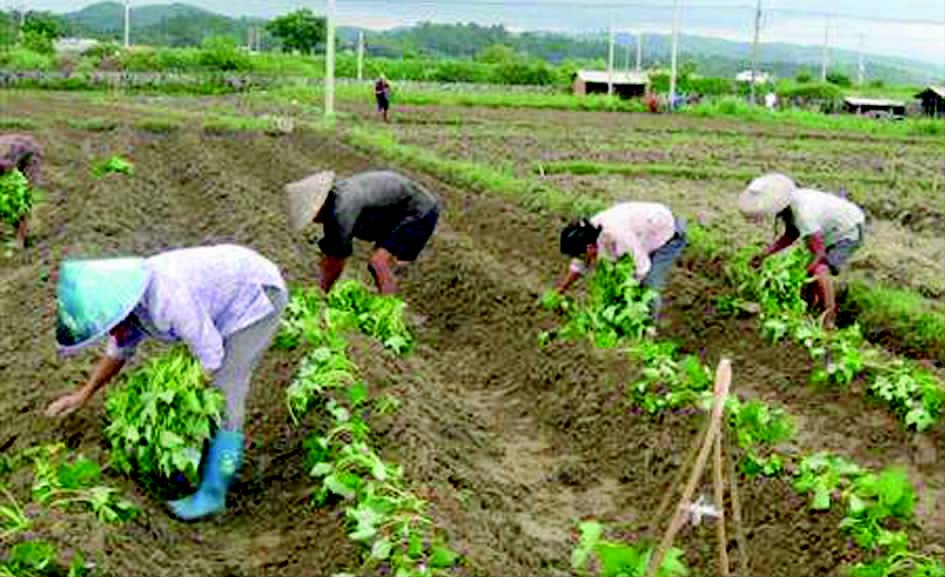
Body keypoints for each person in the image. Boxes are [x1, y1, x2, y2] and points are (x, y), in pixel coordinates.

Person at [46, 244, 288, 521]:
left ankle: (214, 492)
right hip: (220, 303)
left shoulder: (169, 298)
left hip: (256, 296)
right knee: (210, 390)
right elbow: (119, 349)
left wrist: (180, 395)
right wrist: (83, 394)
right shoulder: (132, 303)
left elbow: (210, 356)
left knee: (226, 388)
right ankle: (205, 464)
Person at [738, 172, 866, 327]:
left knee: (819, 268)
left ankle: (829, 318)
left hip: (849, 230)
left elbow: (818, 252)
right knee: (812, 272)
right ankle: (811, 310)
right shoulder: (790, 206)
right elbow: (791, 234)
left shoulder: (803, 212)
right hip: (830, 230)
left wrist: (804, 273)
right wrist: (765, 254)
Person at [285, 170, 439, 295]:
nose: (313, 221)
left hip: (418, 210)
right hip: (393, 213)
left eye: (312, 215)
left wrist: (322, 292)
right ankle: (387, 300)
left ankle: (388, 311)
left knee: (379, 262)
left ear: (319, 205)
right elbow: (330, 252)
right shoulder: (336, 200)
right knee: (379, 263)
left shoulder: (342, 209)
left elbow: (337, 258)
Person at [555, 201, 688, 324]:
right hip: (644, 232)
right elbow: (580, 264)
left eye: (581, 255)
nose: (583, 259)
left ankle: (647, 331)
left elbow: (642, 268)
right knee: (618, 281)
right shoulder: (588, 233)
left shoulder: (619, 235)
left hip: (669, 233)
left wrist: (626, 298)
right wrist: (561, 290)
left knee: (649, 286)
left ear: (589, 247)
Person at [0, 133, 43, 248]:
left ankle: (21, 239)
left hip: (29, 154)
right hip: (11, 155)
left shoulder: (3, 158)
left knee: (21, 198)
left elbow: (8, 169)